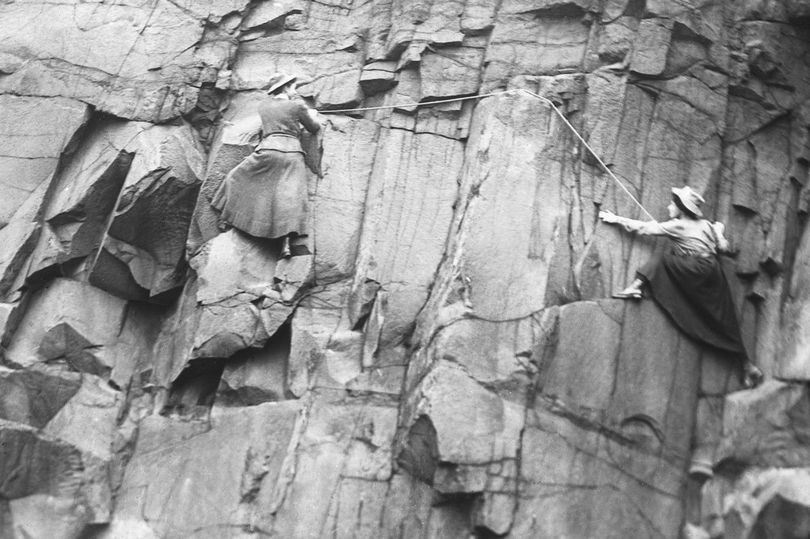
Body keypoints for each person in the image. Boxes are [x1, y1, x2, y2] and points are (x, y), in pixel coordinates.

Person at [599, 186, 764, 388]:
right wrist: (718, 232)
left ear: (681, 208)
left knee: (663, 260)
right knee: (724, 319)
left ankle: (637, 286)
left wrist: (617, 219)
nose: (669, 207)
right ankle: (748, 366)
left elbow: (643, 228)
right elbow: (724, 249)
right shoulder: (705, 224)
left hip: (697, 270)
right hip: (714, 273)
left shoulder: (677, 225)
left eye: (672, 204)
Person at [212, 73, 321, 257]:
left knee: (236, 177)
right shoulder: (297, 105)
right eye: (292, 85)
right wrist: (313, 114)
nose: (294, 89)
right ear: (286, 88)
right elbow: (314, 128)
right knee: (289, 197)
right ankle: (286, 244)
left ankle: (227, 218)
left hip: (269, 150)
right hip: (293, 154)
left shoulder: (264, 106)